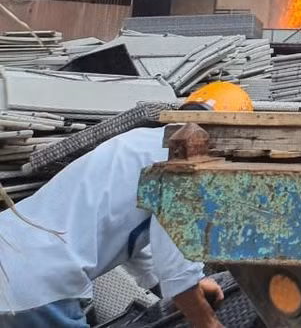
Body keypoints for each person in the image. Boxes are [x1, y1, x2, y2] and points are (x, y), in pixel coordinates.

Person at [0, 81, 254, 328]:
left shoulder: (139, 141)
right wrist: (206, 321)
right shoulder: (187, 166)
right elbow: (177, 269)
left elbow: (126, 226)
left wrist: (189, 284)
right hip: (38, 287)